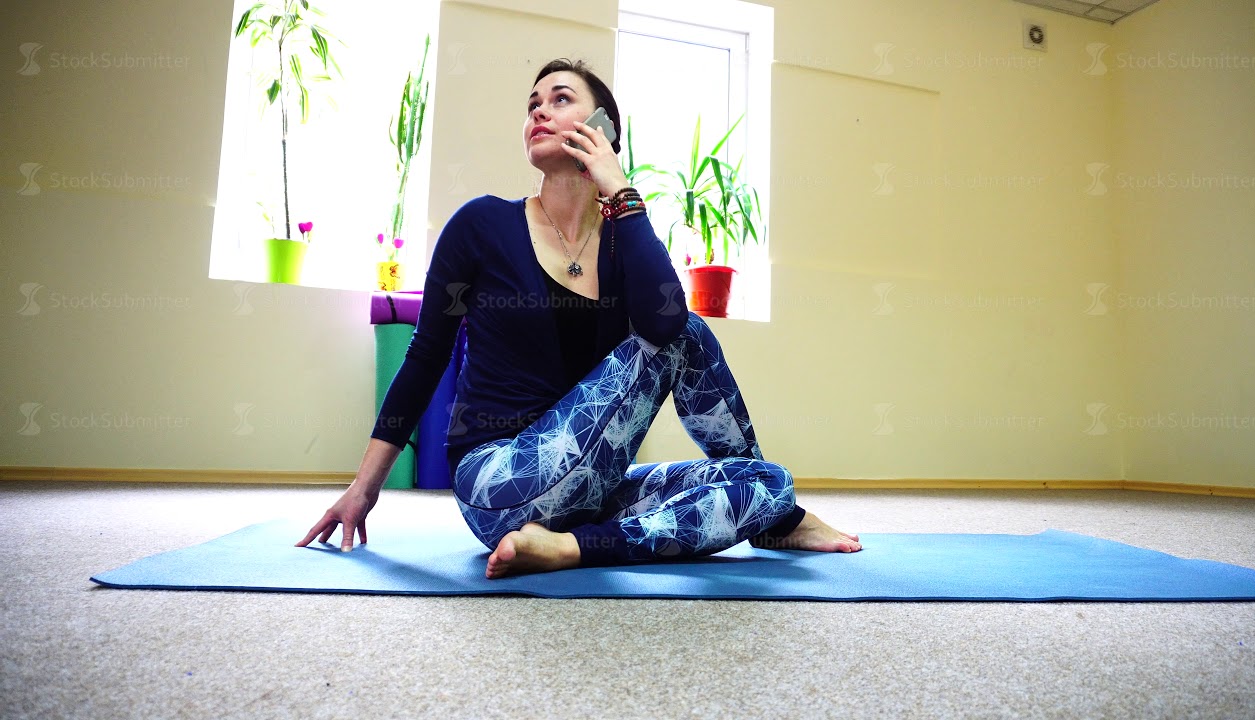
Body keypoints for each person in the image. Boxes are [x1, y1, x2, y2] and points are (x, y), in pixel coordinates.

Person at [297, 58, 861, 578]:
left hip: (591, 492)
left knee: (769, 483)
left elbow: (664, 319)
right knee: (683, 333)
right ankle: (774, 522)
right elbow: (425, 357)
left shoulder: (623, 239)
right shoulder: (481, 225)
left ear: (601, 129)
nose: (538, 110)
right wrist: (362, 491)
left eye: (559, 98)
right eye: (532, 104)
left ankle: (579, 547)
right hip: (500, 481)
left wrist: (618, 189)